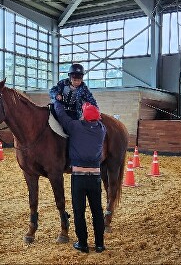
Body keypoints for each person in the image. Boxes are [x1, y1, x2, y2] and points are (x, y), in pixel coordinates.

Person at [54, 100, 107, 253]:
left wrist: (57, 102)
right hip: (95, 177)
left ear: (83, 116)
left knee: (79, 211)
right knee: (97, 210)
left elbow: (62, 117)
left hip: (78, 177)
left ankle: (82, 243)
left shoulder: (75, 127)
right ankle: (99, 244)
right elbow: (97, 120)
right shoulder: (101, 130)